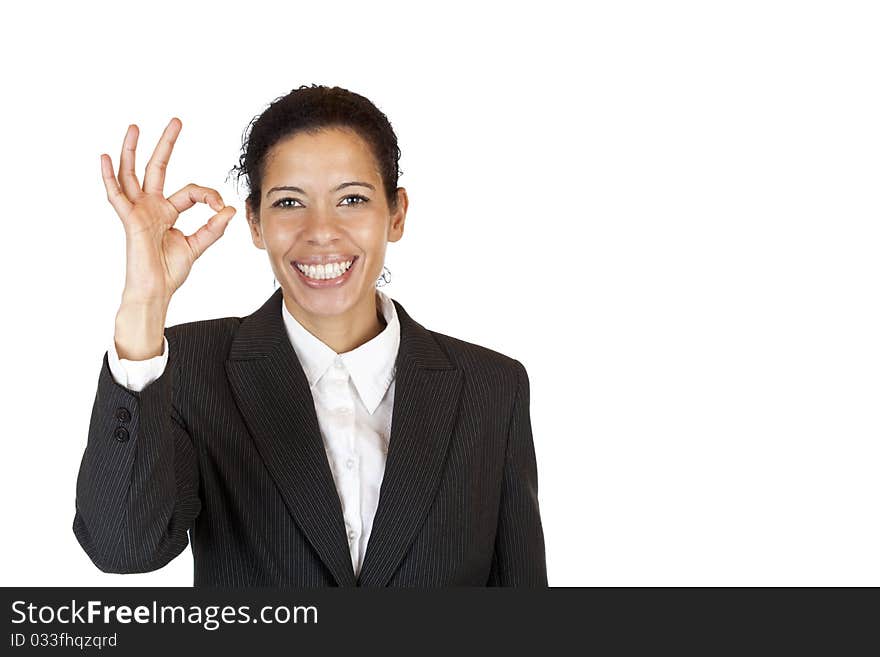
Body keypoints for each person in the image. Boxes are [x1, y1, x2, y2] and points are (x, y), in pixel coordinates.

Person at [72, 84, 547, 587]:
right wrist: (144, 307)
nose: (321, 231)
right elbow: (122, 547)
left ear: (397, 214)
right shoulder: (193, 367)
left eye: (352, 199)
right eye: (290, 202)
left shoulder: (492, 388)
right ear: (255, 222)